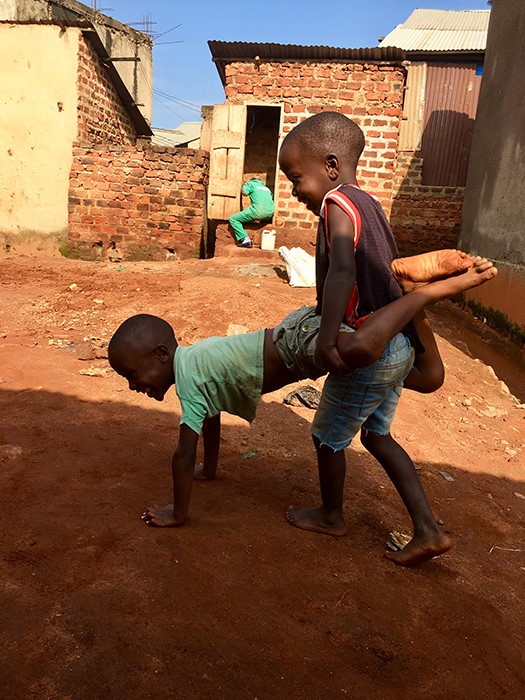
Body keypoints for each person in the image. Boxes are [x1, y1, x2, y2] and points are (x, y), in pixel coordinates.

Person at [108, 256, 497, 566]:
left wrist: (178, 511)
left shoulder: (189, 377)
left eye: (133, 374)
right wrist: (209, 470)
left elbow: (182, 452)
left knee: (330, 430)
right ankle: (428, 529)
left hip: (298, 345)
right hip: (296, 336)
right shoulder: (194, 363)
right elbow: (209, 415)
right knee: (381, 427)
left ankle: (409, 292)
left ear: (161, 355)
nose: (132, 385)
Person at [276, 111, 477, 565]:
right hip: (398, 346)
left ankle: (331, 515)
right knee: (378, 435)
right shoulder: (370, 203)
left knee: (327, 435)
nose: (293, 191)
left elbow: (343, 270)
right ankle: (428, 529)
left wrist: (327, 339)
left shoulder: (336, 204)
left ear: (330, 166)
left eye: (295, 178)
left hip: (373, 347)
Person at [228, 178, 275, 248]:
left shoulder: (250, 184)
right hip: (270, 212)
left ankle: (245, 239)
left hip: (258, 211)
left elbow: (244, 193)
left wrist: (243, 185)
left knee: (233, 219)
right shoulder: (266, 188)